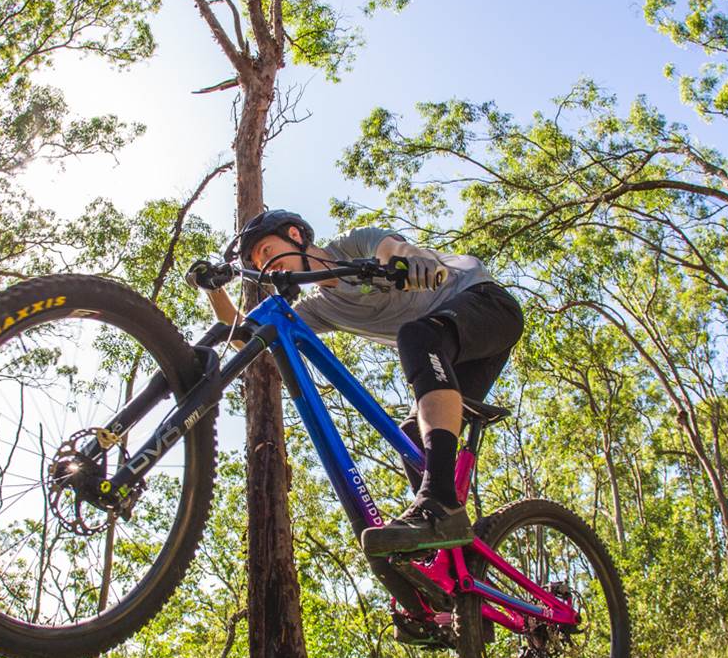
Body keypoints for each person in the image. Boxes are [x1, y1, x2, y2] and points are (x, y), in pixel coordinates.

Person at [189, 209, 524, 556]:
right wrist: (213, 290)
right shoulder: (322, 307)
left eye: (267, 253)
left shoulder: (354, 244)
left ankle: (438, 504)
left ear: (295, 235)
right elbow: (250, 339)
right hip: (448, 354)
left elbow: (395, 252)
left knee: (417, 337)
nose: (266, 268)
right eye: (259, 267)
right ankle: (452, 553)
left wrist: (414, 265)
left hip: (487, 307)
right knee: (412, 436)